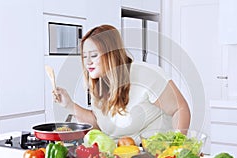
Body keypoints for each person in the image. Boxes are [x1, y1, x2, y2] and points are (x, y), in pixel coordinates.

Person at [53, 24, 191, 141]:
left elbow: (180, 109)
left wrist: (176, 148)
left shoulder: (147, 75)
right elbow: (99, 124)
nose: (88, 62)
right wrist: (69, 105)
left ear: (112, 54)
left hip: (156, 156)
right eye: (84, 56)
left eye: (94, 55)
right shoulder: (100, 84)